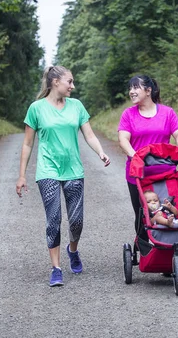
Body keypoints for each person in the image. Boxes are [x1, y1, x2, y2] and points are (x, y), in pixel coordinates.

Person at [16, 65, 110, 287]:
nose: (73, 86)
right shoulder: (36, 108)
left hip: (74, 170)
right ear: (55, 81)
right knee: (54, 219)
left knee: (76, 221)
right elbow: (28, 144)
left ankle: (73, 250)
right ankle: (56, 268)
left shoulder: (76, 106)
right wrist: (22, 175)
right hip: (47, 170)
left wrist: (101, 152)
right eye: (70, 81)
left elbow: (89, 135)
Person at [118, 75, 178, 244]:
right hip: (138, 173)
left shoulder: (167, 113)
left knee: (167, 208)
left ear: (148, 91)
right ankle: (145, 248)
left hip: (164, 173)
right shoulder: (128, 114)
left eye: (136, 88)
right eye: (130, 88)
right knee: (143, 212)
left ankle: (170, 246)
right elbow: (123, 139)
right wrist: (136, 158)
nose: (131, 92)